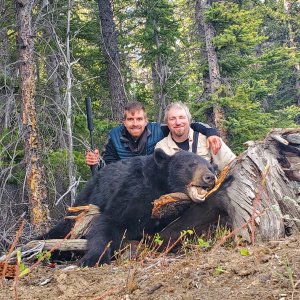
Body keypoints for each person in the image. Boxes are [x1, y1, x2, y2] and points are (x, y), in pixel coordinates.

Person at [86, 101, 222, 169]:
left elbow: (186, 125)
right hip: (126, 182)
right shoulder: (114, 136)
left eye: (139, 119)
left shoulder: (159, 130)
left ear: (146, 121)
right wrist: (96, 162)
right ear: (124, 122)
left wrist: (211, 133)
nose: (135, 124)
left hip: (151, 181)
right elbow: (107, 166)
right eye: (130, 119)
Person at [155, 102, 236, 171]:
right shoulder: (161, 147)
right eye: (172, 119)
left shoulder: (208, 139)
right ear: (167, 123)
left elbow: (231, 166)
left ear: (189, 120)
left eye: (182, 117)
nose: (178, 122)